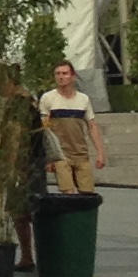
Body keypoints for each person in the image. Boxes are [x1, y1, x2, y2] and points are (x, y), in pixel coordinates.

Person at [40, 59, 103, 195]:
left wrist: (100, 152)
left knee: (87, 193)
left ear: (73, 76)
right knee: (67, 193)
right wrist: (48, 157)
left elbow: (92, 126)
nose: (61, 77)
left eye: (65, 73)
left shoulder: (83, 99)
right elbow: (45, 129)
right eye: (58, 74)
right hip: (61, 153)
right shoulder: (48, 98)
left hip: (81, 152)